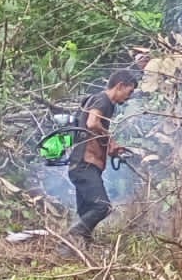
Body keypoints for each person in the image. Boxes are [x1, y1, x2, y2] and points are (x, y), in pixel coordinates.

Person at [58, 69, 139, 255]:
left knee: (86, 214)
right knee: (102, 207)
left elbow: (92, 131)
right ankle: (70, 236)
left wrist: (111, 148)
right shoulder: (103, 100)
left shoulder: (98, 101)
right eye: (129, 91)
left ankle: (69, 254)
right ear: (119, 86)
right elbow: (92, 123)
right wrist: (110, 138)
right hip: (84, 165)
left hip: (81, 166)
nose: (129, 97)